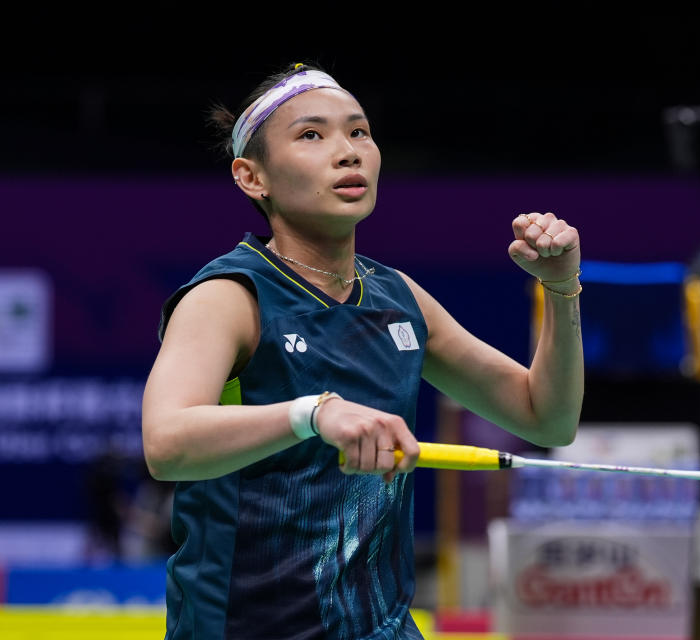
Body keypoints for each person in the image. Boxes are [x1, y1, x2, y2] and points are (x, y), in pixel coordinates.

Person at [141, 63, 584, 639]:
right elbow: (166, 445)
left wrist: (562, 289)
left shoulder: (397, 298)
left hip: (384, 627)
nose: (348, 152)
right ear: (252, 177)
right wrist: (313, 414)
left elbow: (545, 418)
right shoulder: (229, 296)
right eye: (311, 135)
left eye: (359, 132)